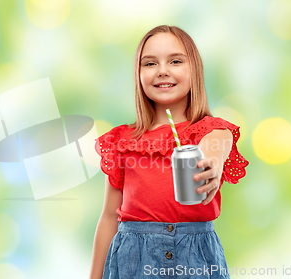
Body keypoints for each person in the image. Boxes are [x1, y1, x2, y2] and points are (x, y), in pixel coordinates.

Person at [89, 25, 249, 279]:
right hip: (133, 263)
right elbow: (109, 217)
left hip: (196, 260)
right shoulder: (124, 141)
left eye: (175, 61)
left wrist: (211, 166)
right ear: (138, 74)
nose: (162, 71)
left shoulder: (211, 131)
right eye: (150, 63)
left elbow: (216, 144)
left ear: (194, 69)